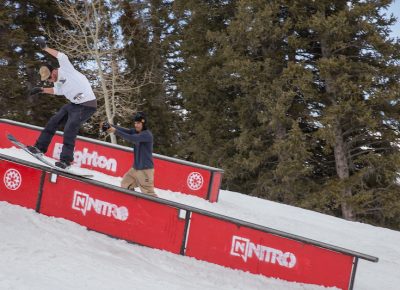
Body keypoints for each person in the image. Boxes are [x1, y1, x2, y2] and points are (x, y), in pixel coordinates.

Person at [27, 37, 97, 169]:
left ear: (53, 71)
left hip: (87, 105)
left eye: (49, 78)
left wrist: (44, 48)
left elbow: (61, 55)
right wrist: (41, 90)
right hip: (74, 105)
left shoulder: (65, 68)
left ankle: (66, 161)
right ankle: (39, 148)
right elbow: (57, 91)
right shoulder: (57, 82)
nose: (50, 81)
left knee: (70, 128)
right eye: (47, 80)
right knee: (53, 121)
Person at [103, 112, 156, 197]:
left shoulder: (147, 135)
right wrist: (109, 125)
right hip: (135, 169)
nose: (136, 125)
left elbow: (132, 138)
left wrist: (114, 131)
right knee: (125, 184)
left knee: (149, 195)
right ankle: (134, 205)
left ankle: (156, 209)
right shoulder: (135, 131)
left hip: (145, 170)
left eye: (138, 123)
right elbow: (124, 130)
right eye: (135, 123)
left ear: (143, 123)